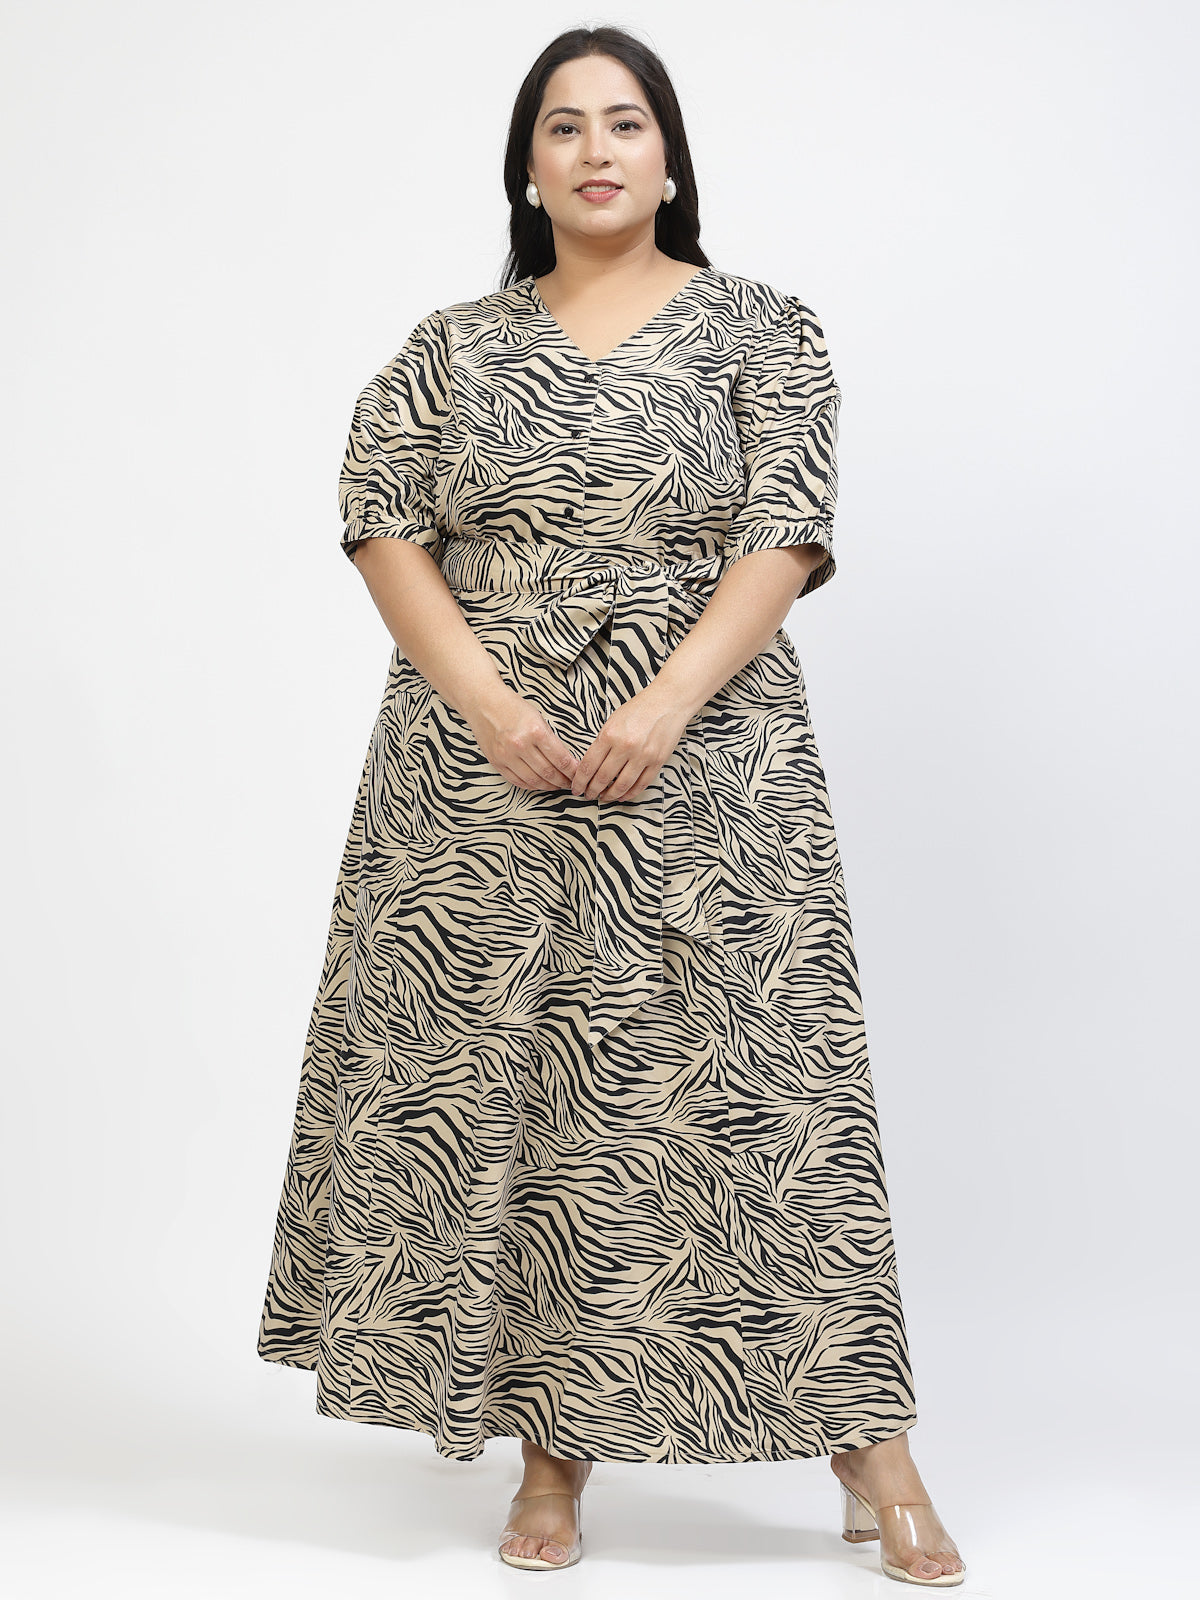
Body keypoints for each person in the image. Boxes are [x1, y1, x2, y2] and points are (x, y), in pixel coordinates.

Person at [256, 23, 966, 1588]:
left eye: (626, 123)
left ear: (668, 156)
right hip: (479, 776)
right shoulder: (452, 346)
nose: (596, 149)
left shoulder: (763, 328)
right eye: (565, 126)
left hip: (707, 755)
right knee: (520, 1090)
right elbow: (381, 522)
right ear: (527, 167)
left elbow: (786, 530)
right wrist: (490, 705)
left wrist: (663, 702)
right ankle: (551, 1452)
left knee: (764, 1086)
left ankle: (872, 1439)